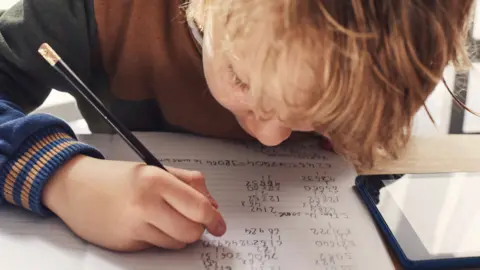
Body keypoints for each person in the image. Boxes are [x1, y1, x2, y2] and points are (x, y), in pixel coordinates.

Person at [0, 0, 473, 252]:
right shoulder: (98, 10)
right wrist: (62, 178)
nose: (270, 137)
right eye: (243, 82)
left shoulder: (396, 30)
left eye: (320, 113)